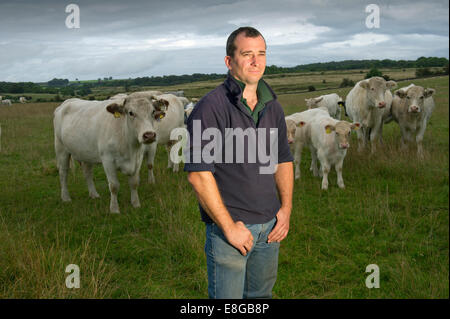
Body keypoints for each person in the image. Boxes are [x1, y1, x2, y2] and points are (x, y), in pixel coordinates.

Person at [184, 26, 294, 299]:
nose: (256, 62)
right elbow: (198, 175)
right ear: (229, 61)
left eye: (261, 54)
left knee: (260, 298)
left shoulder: (273, 106)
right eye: (247, 54)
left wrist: (286, 209)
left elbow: (282, 160)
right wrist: (229, 227)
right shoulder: (210, 108)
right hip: (230, 232)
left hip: (270, 228)